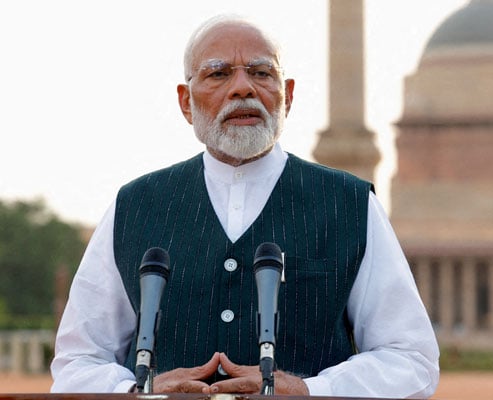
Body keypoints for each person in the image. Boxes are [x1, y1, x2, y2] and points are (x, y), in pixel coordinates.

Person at [51, 14, 439, 398]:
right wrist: (140, 390)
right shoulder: (135, 207)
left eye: (261, 73)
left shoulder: (349, 206)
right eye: (218, 74)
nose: (242, 88)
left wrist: (310, 390)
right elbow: (77, 362)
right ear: (186, 102)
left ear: (287, 95)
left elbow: (410, 358)